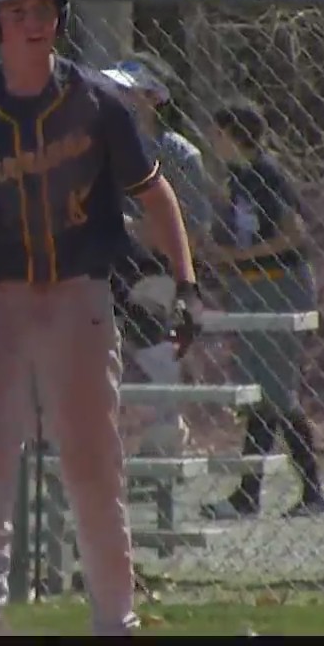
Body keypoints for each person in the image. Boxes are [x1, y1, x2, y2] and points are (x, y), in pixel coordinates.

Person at [0, 0, 202, 635]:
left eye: (44, 9)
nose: (34, 21)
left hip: (78, 300)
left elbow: (155, 194)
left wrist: (186, 284)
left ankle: (115, 620)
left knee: (93, 466)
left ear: (60, 18)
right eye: (18, 11)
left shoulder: (96, 101)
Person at [198, 99, 324, 520]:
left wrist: (239, 256)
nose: (213, 139)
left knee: (276, 391)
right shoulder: (239, 177)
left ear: (235, 135)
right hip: (253, 286)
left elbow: (295, 234)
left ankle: (310, 492)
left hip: (281, 285)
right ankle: (249, 494)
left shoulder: (265, 174)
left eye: (218, 132)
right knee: (261, 394)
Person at [100, 54, 212, 456]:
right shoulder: (102, 146)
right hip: (107, 265)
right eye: (117, 90)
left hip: (157, 268)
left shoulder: (179, 154)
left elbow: (192, 231)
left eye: (129, 91)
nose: (119, 97)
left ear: (154, 98)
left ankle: (167, 435)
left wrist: (135, 229)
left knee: (155, 341)